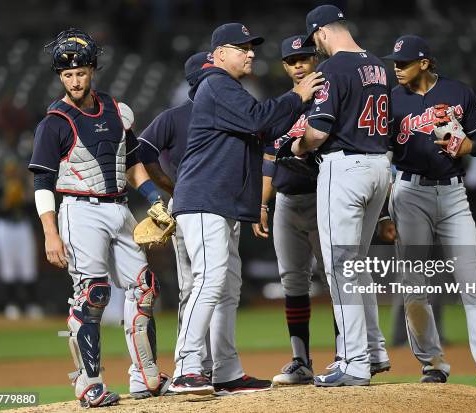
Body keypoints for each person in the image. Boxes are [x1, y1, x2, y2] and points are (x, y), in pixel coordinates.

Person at [171, 22, 323, 395]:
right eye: (241, 47)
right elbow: (261, 120)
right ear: (219, 54)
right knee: (209, 281)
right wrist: (297, 96)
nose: (250, 52)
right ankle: (186, 367)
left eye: (251, 46)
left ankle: (225, 371)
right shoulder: (216, 83)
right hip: (204, 199)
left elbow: (267, 130)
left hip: (222, 203)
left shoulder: (225, 86)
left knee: (226, 288)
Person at [28, 28, 175, 407]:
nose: (75, 80)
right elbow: (43, 182)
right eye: (67, 75)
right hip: (78, 211)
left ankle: (146, 376)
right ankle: (88, 384)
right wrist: (50, 233)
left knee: (144, 287)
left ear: (93, 69)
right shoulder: (54, 122)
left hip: (120, 207)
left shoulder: (118, 111)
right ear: (60, 77)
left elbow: (133, 164)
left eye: (80, 72)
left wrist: (154, 198)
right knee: (92, 295)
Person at [379, 34, 476, 391]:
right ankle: (432, 364)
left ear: (424, 63)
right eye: (394, 62)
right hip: (408, 193)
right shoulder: (391, 100)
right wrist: (384, 210)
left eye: (403, 63)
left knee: (474, 281)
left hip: (454, 195)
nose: (396, 68)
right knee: (414, 284)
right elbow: (382, 157)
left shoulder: (459, 92)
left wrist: (469, 145)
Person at [291, 4, 392, 387]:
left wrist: (297, 147)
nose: (314, 48)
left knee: (340, 266)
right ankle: (375, 350)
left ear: (321, 33)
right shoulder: (380, 65)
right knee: (358, 262)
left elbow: (317, 132)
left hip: (345, 167)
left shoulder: (332, 69)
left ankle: (354, 362)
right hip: (379, 166)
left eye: (314, 40)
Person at [252, 35, 333, 385]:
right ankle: (301, 361)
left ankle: (349, 356)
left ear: (315, 59)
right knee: (293, 281)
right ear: (285, 67)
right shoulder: (283, 105)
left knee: (336, 279)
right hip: (286, 201)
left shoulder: (329, 97)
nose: (299, 64)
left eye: (304, 57)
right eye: (292, 60)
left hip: (323, 198)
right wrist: (262, 203)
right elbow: (270, 159)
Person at [137, 51, 216, 390]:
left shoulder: (227, 112)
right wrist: (168, 186)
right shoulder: (176, 116)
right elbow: (141, 152)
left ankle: (212, 364)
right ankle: (191, 363)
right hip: (189, 205)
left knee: (219, 288)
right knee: (193, 287)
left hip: (222, 206)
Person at [0, 158, 43, 320]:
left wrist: (24, 197)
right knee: (8, 266)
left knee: (28, 264)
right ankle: (11, 303)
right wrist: (5, 202)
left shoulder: (25, 186)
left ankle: (32, 303)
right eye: (9, 169)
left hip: (22, 225)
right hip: (4, 226)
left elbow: (32, 207)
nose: (12, 172)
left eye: (14, 169)